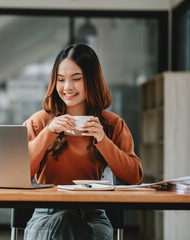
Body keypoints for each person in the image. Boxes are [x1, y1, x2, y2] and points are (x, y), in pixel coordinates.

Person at [23, 43, 143, 240]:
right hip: (46, 216)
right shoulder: (39, 122)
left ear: (92, 81)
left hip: (93, 216)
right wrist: (49, 132)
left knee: (74, 227)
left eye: (76, 79)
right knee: (66, 222)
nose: (67, 87)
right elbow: (20, 173)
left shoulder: (112, 125)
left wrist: (103, 140)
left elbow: (133, 176)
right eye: (61, 80)